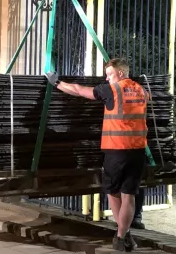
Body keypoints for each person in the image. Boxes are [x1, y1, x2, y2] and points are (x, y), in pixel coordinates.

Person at [47, 58, 148, 252]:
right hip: (138, 152)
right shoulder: (141, 90)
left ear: (120, 73)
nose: (106, 78)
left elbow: (79, 90)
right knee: (129, 196)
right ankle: (123, 235)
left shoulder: (112, 90)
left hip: (116, 150)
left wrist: (58, 83)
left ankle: (121, 235)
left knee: (112, 191)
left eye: (109, 74)